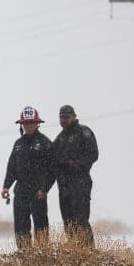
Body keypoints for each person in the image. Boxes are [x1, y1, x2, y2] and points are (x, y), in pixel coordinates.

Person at [1, 106, 55, 249]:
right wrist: (6, 186)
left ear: (37, 124)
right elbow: (11, 167)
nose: (28, 126)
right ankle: (24, 255)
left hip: (38, 192)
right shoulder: (18, 144)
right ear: (22, 125)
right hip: (21, 191)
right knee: (20, 226)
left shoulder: (45, 143)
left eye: (31, 123)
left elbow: (52, 170)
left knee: (41, 226)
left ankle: (42, 256)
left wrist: (44, 189)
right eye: (26, 123)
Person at [52, 104, 98, 246]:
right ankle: (74, 254)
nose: (64, 120)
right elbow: (49, 156)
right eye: (61, 118)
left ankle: (90, 253)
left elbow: (93, 154)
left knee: (81, 220)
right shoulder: (60, 138)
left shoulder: (84, 132)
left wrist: (75, 164)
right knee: (68, 223)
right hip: (64, 186)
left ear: (74, 117)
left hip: (80, 183)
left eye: (67, 117)